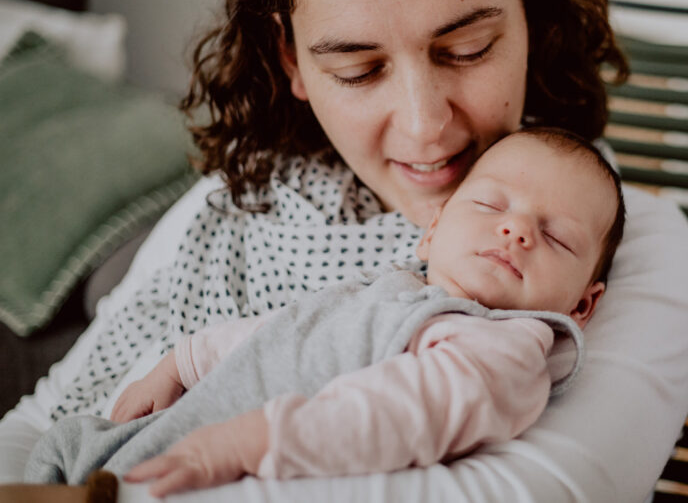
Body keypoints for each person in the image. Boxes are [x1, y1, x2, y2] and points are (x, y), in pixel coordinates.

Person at [0, 0, 688, 500]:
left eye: (466, 50)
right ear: (294, 62)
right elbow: (41, 422)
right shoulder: (237, 201)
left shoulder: (631, 248)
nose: (424, 122)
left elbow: (522, 495)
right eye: (359, 69)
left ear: (530, 14)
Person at [26, 128, 623, 494]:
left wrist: (250, 443)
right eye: (491, 203)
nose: (516, 229)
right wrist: (181, 362)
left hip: (236, 462)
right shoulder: (387, 286)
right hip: (168, 429)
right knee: (58, 450)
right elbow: (287, 331)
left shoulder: (503, 346)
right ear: (431, 231)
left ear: (583, 303)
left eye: (558, 239)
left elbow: (402, 412)